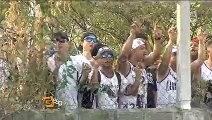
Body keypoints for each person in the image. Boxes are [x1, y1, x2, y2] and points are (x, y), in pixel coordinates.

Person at [117, 22, 163, 109]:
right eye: (141, 48)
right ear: (133, 50)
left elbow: (156, 54)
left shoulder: (142, 65)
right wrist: (132, 35)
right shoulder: (126, 66)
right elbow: (123, 56)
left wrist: (157, 40)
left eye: (145, 48)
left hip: (142, 111)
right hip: (127, 111)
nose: (145, 51)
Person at [157, 28, 206, 108]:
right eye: (175, 54)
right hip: (164, 113)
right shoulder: (163, 72)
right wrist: (171, 40)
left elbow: (200, 60)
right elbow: (165, 61)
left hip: (182, 112)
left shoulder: (185, 70)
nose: (178, 57)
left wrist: (201, 41)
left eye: (180, 55)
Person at [88, 43, 128, 109]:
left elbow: (128, 91)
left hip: (115, 113)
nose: (107, 59)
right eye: (103, 56)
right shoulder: (95, 74)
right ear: (98, 58)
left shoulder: (118, 76)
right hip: (98, 114)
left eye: (110, 56)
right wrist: (95, 68)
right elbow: (94, 89)